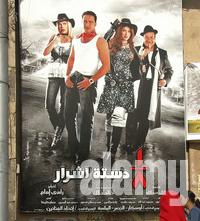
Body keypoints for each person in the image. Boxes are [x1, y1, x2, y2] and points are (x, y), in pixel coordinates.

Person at [65, 11, 110, 164]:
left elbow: (106, 66)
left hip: (87, 81)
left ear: (95, 23)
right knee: (68, 115)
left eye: (90, 21)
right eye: (85, 21)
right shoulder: (76, 39)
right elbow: (71, 59)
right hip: (73, 78)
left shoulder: (100, 41)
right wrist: (67, 76)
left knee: (86, 117)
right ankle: (73, 147)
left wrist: (90, 81)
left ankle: (83, 152)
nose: (87, 24)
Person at [97, 18, 140, 160]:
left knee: (119, 118)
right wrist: (113, 27)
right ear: (119, 31)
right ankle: (107, 147)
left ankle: (112, 151)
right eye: (123, 30)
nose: (126, 33)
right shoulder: (111, 45)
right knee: (109, 118)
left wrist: (142, 68)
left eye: (129, 31)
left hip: (126, 87)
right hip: (111, 85)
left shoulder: (133, 49)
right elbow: (102, 41)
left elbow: (137, 68)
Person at [126, 25, 173, 152]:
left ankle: (139, 142)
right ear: (143, 38)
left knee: (146, 117)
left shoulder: (162, 53)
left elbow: (169, 71)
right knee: (132, 114)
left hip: (152, 87)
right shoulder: (136, 50)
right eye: (146, 37)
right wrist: (142, 56)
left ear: (155, 38)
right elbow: (130, 68)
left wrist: (165, 81)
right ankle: (129, 141)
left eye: (151, 37)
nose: (149, 40)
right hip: (138, 85)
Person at [43, 13, 74, 148]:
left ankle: (57, 134)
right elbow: (45, 53)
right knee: (49, 105)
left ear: (69, 25)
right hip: (53, 74)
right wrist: (54, 42)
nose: (62, 26)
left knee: (64, 106)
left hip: (67, 75)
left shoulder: (74, 40)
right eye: (60, 24)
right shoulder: (53, 37)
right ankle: (59, 128)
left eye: (64, 24)